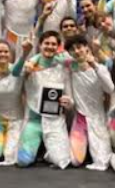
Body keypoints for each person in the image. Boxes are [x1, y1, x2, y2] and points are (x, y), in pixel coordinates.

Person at [14, 31, 73, 169]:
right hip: (34, 120)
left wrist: (68, 102)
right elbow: (15, 73)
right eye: (47, 43)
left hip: (54, 120)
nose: (50, 46)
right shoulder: (30, 65)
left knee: (62, 161)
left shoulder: (63, 68)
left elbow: (70, 100)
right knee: (23, 161)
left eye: (53, 44)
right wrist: (24, 53)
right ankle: (40, 148)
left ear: (58, 47)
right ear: (40, 45)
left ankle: (49, 152)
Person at [64, 36, 115, 170]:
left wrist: (95, 66)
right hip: (80, 118)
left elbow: (110, 89)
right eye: (73, 49)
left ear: (86, 48)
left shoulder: (100, 68)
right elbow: (70, 100)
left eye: (79, 47)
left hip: (97, 117)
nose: (77, 51)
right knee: (75, 161)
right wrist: (67, 102)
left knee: (103, 162)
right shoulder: (71, 71)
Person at [0, 40, 33, 165]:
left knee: (10, 155)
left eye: (6, 52)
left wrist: (25, 54)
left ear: (10, 54)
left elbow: (19, 74)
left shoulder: (19, 70)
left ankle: (9, 143)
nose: (2, 54)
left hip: (15, 120)